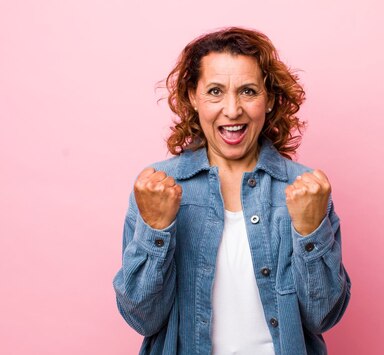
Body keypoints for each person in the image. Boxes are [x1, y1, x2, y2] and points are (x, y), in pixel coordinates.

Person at [112, 27, 351, 355]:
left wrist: (311, 232)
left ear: (268, 100)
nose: (233, 109)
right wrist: (156, 229)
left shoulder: (304, 189)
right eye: (215, 91)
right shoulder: (157, 188)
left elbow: (322, 317)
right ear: (193, 97)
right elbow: (143, 319)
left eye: (248, 91)